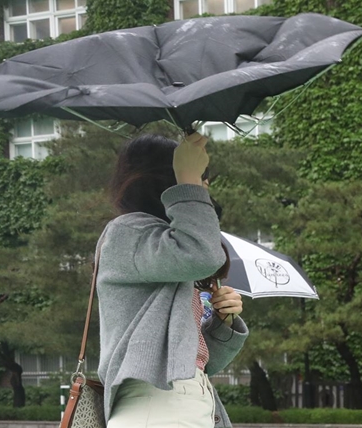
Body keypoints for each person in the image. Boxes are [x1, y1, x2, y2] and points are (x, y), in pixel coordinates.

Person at [95, 132, 249, 428]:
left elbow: (194, 361)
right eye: (202, 178)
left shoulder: (158, 253)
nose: (205, 188)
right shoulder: (128, 234)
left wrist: (222, 322)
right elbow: (203, 255)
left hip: (178, 405)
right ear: (168, 180)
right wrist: (189, 179)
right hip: (160, 406)